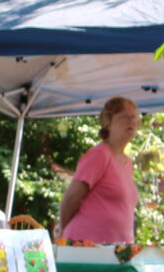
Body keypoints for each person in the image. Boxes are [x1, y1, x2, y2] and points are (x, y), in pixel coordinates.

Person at [55, 96, 141, 244]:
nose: (131, 121)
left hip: (115, 251)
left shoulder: (127, 163)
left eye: (134, 117)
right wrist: (62, 233)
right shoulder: (99, 155)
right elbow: (71, 199)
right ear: (108, 122)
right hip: (87, 248)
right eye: (124, 116)